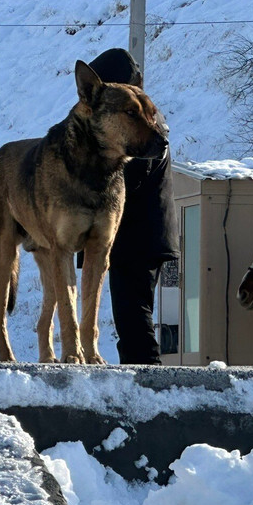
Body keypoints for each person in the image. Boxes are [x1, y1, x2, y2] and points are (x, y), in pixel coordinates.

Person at [85, 48, 178, 364]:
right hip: (140, 234)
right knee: (131, 314)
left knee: (133, 313)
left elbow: (128, 176)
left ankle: (148, 378)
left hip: (136, 236)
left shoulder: (143, 125)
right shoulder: (149, 119)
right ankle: (139, 374)